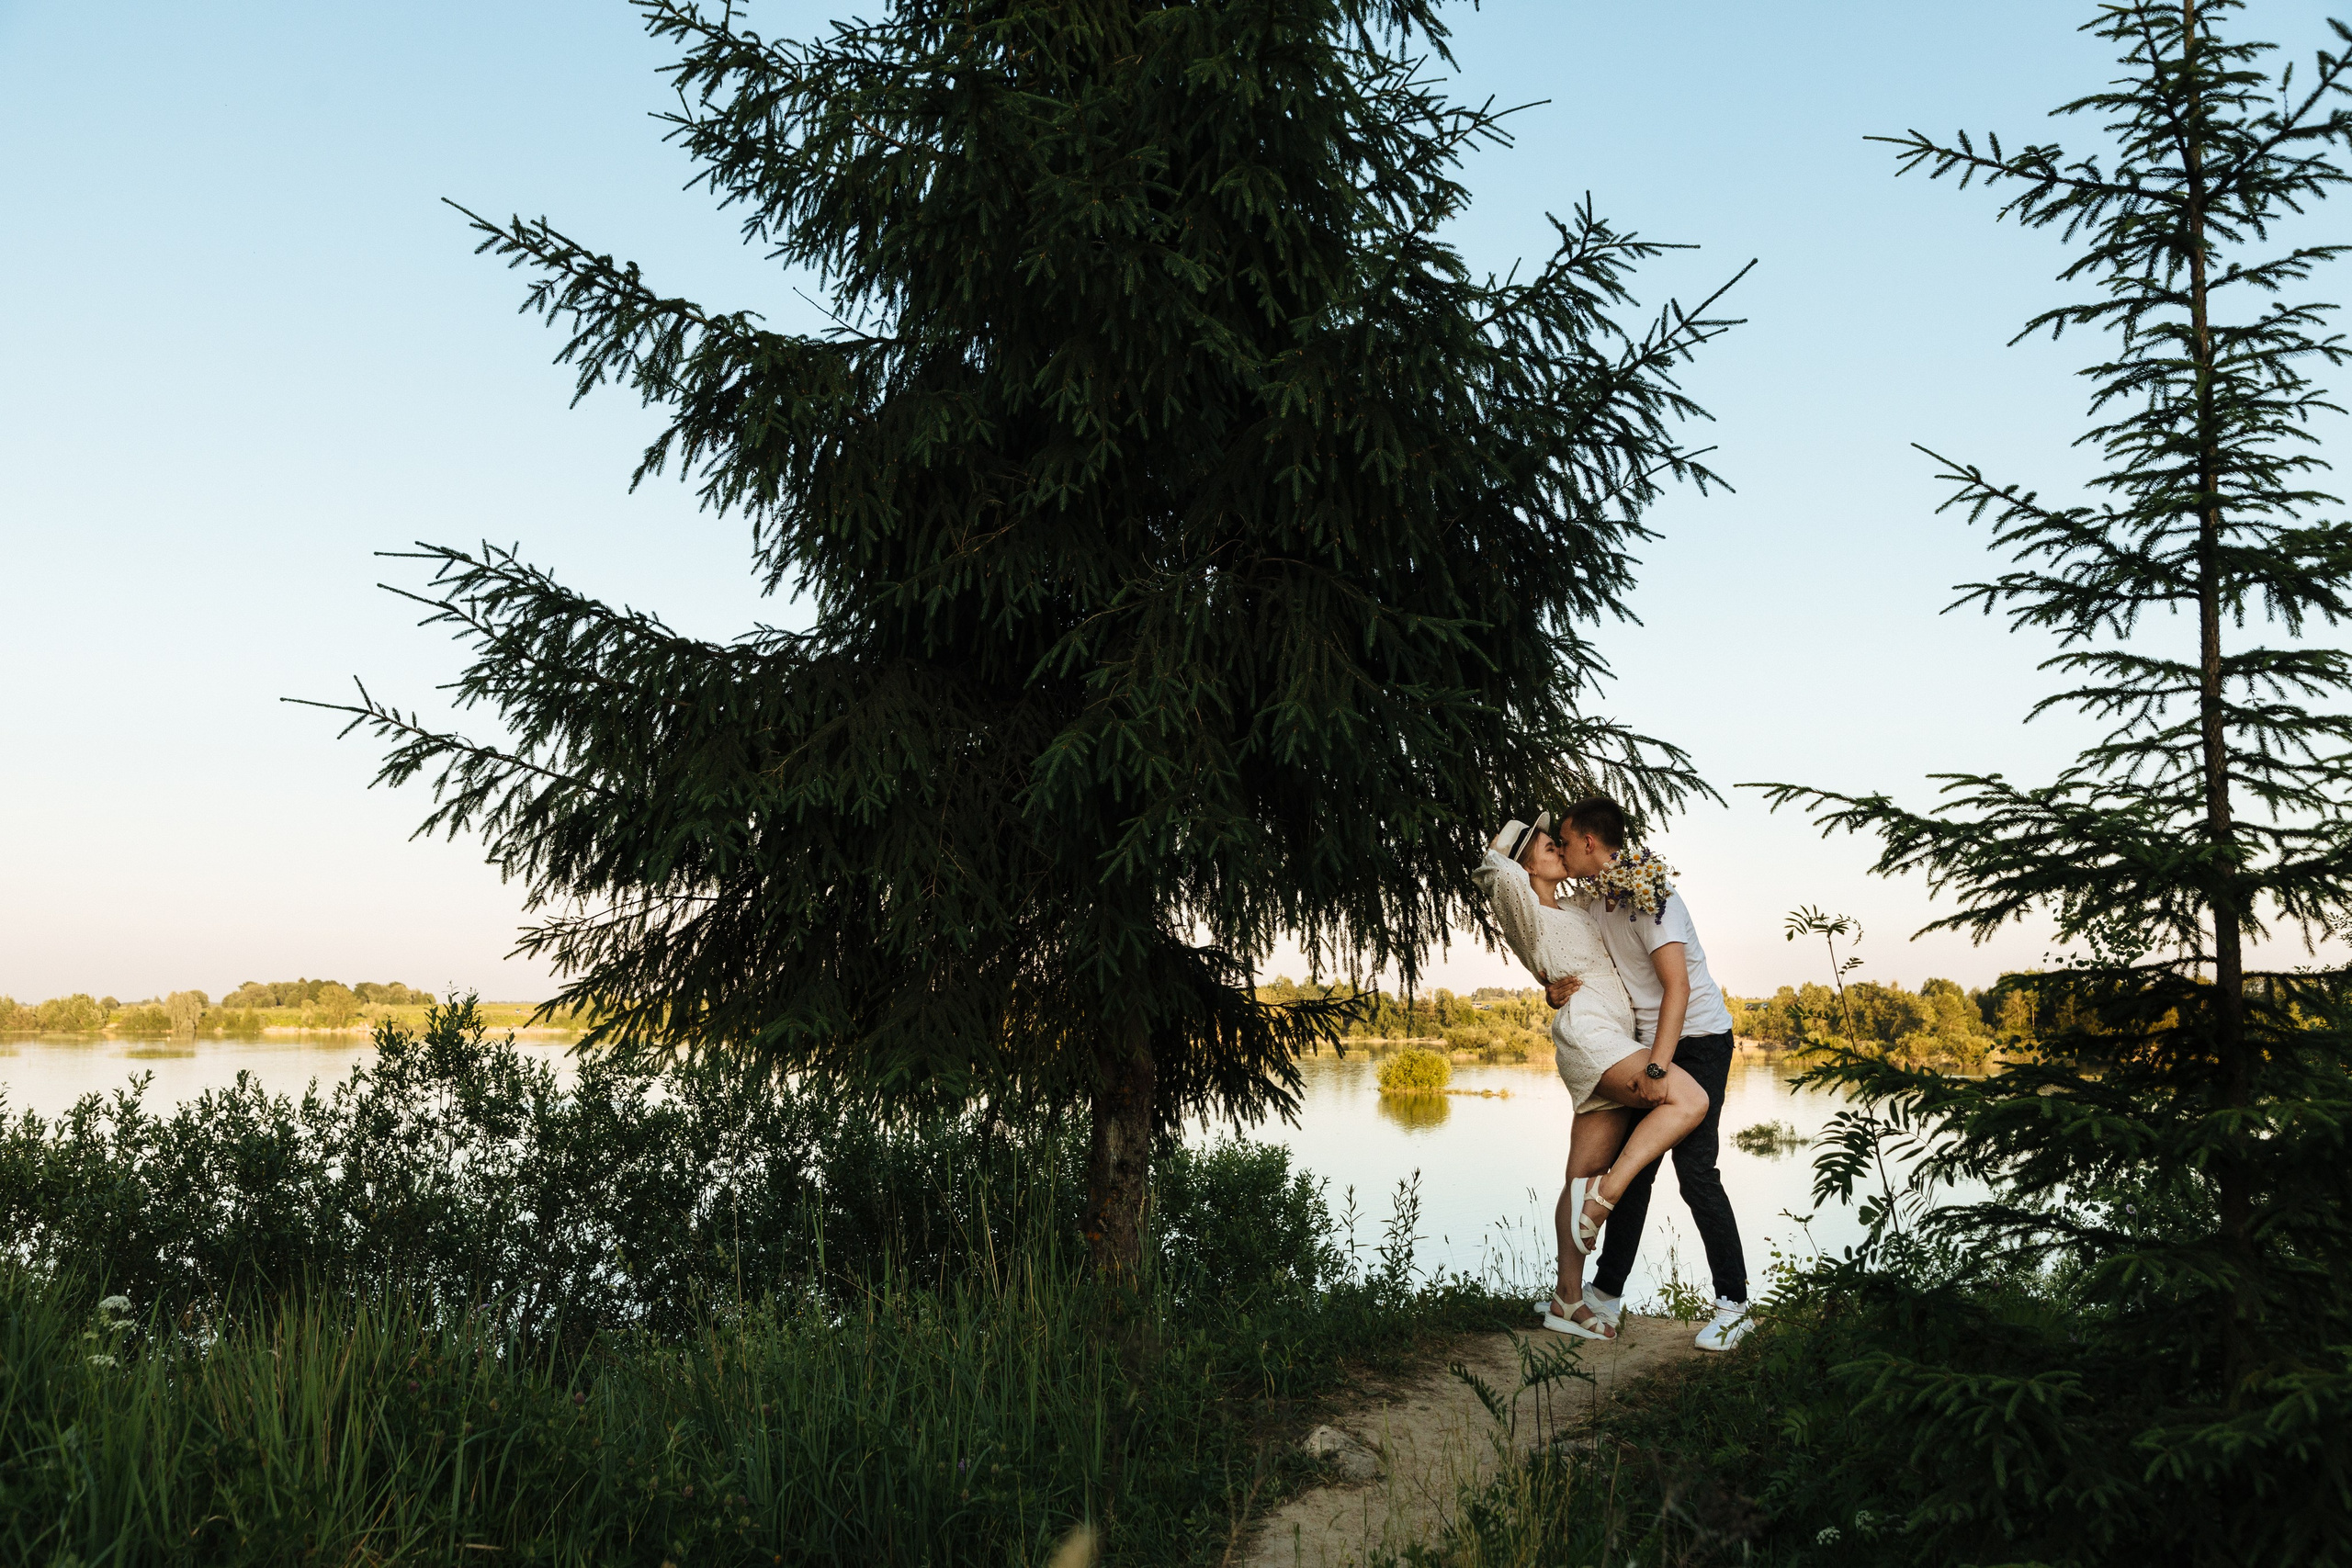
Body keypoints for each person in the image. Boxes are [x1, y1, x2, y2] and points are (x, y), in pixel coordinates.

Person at [1474, 813, 1711, 1341]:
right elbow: (1494, 873)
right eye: (1545, 845)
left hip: (1617, 1036)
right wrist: (1508, 843)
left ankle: (1567, 1298)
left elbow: (1607, 885)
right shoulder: (1524, 908)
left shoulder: (1576, 906)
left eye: (1560, 842)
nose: (1557, 848)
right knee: (1690, 1101)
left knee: (1579, 1172)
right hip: (1591, 1037)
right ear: (1523, 861)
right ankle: (1606, 1197)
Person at [1544, 795, 1751, 1353]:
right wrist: (1554, 989)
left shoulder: (1653, 893)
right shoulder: (1593, 901)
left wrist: (1659, 1066)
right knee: (1636, 1172)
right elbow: (1584, 965)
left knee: (1696, 1172)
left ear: (1591, 842)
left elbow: (1677, 987)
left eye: (1565, 840)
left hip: (1699, 1040)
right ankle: (1607, 1291)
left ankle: (1734, 1305)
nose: (1561, 849)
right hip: (1646, 1044)